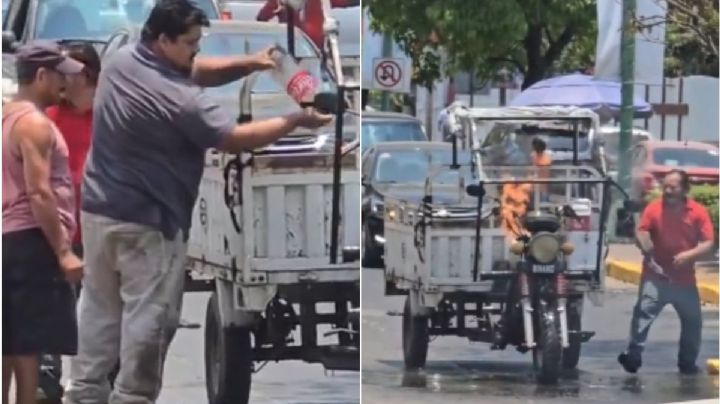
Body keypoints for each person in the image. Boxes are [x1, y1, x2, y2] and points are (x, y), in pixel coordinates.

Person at [63, 1, 331, 403]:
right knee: (149, 322)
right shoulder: (178, 100)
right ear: (164, 40)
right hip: (149, 224)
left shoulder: (121, 61)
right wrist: (294, 121)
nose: (196, 50)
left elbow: (195, 70)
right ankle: (132, 397)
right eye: (190, 43)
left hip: (101, 212)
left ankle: (82, 395)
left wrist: (253, 63)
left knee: (98, 313)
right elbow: (232, 138)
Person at [2, 40, 84, 404]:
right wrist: (64, 251)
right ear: (40, 76)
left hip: (12, 240)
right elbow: (39, 192)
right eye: (59, 77)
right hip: (31, 242)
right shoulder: (35, 124)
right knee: (28, 347)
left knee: (10, 341)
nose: (64, 85)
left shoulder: (7, 116)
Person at [33, 42, 101, 403]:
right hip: (61, 227)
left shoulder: (109, 116)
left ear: (87, 75)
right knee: (56, 304)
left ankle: (104, 379)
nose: (62, 80)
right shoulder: (48, 117)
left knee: (104, 312)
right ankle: (47, 380)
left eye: (69, 72)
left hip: (102, 228)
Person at [618, 169, 715, 375]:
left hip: (684, 280)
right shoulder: (654, 209)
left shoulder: (697, 212)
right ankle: (633, 357)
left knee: (693, 322)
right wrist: (645, 244)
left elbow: (708, 242)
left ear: (684, 189)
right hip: (656, 275)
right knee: (642, 316)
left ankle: (687, 363)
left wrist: (689, 255)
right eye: (665, 187)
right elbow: (642, 230)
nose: (668, 191)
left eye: (673, 187)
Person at [256, 0, 359, 49]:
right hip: (291, 53)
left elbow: (348, 2)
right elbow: (261, 19)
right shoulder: (279, 1)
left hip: (316, 52)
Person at [530, 137, 551, 202]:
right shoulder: (533, 155)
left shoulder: (546, 157)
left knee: (543, 203)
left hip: (543, 186)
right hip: (534, 186)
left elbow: (543, 169)